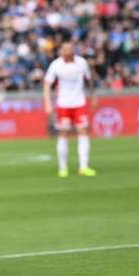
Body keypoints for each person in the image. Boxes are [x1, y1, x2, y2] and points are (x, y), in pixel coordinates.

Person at [43, 42, 97, 178]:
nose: (66, 53)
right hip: (64, 104)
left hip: (79, 103)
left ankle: (83, 167)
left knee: (83, 131)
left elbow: (89, 80)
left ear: (73, 51)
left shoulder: (82, 63)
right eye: (64, 50)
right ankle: (63, 168)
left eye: (69, 50)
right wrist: (48, 103)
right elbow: (47, 84)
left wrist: (93, 96)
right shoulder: (56, 65)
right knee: (63, 133)